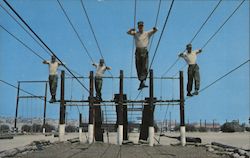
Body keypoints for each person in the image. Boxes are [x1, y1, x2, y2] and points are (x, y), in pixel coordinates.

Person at [127, 21, 158, 90]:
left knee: (144, 66)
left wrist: (155, 28)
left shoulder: (147, 33)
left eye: (142, 26)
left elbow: (155, 30)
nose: (141, 27)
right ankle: (141, 81)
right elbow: (128, 33)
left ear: (143, 26)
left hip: (144, 50)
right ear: (138, 27)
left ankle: (143, 81)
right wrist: (131, 29)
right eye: (139, 26)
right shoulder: (136, 33)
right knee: (138, 66)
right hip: (138, 51)